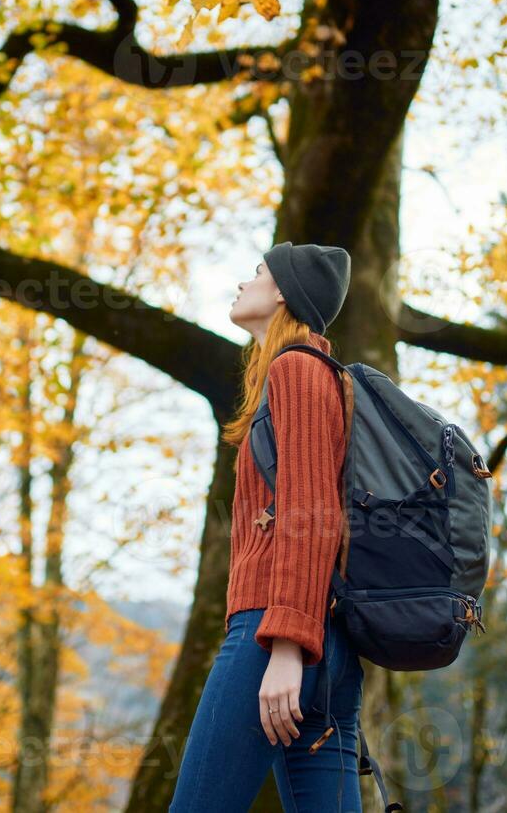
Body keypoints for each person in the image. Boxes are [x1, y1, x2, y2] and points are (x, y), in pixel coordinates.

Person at [169, 242, 365, 812]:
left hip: (276, 632)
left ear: (282, 289)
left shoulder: (297, 370)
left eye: (256, 272)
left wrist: (285, 646)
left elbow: (310, 514)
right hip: (322, 643)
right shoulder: (308, 375)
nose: (241, 283)